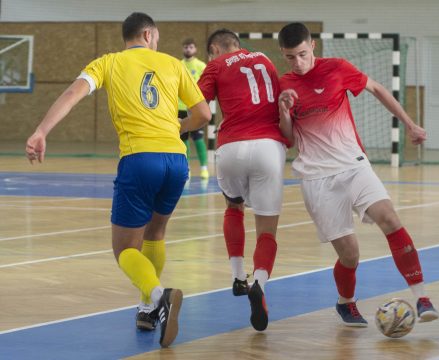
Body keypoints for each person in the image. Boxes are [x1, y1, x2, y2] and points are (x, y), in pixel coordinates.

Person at [25, 12, 211, 347]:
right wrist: (176, 128)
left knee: (125, 249)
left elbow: (71, 94)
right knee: (156, 233)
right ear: (148, 34)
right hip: (176, 161)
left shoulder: (107, 63)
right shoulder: (173, 64)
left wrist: (41, 130)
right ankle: (147, 309)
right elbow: (204, 115)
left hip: (139, 159)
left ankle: (158, 295)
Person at [277, 22, 439, 327]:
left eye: (301, 54)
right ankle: (345, 302)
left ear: (312, 46)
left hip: (353, 165)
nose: (297, 63)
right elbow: (287, 139)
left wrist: (410, 124)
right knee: (350, 255)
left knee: (389, 218)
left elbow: (377, 88)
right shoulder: (283, 86)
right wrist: (284, 113)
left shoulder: (337, 68)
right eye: (289, 57)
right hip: (317, 178)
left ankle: (422, 296)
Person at [184, 29, 288, 331]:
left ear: (215, 48)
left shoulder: (215, 66)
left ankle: (238, 276)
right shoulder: (266, 59)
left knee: (233, 206)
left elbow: (200, 109)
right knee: (267, 231)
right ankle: (260, 283)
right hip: (269, 146)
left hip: (231, 147)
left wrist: (177, 127)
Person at [178, 38, 209, 180]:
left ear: (195, 49)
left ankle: (204, 168)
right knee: (183, 139)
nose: (188, 49)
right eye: (185, 47)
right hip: (180, 107)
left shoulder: (201, 66)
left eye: (190, 47)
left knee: (198, 138)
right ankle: (187, 168)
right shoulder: (178, 65)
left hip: (195, 107)